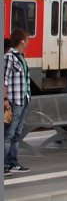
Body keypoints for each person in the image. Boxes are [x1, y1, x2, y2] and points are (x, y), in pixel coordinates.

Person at [4, 29, 32, 175]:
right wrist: (4, 99)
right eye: (27, 39)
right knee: (8, 134)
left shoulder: (21, 57)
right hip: (14, 101)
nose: (28, 42)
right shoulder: (9, 57)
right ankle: (3, 164)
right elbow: (4, 79)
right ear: (22, 41)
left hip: (23, 99)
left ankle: (12, 162)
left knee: (16, 134)